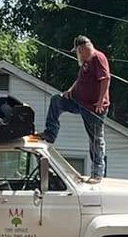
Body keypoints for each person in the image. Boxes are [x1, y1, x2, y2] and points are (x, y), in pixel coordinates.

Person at [42, 36, 111, 181]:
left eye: (77, 52)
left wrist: (100, 101)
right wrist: (69, 91)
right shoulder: (86, 62)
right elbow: (80, 80)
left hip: (93, 107)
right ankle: (50, 133)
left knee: (95, 139)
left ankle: (97, 173)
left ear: (82, 49)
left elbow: (105, 78)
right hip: (79, 102)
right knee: (57, 101)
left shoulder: (98, 58)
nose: (77, 55)